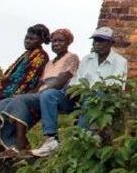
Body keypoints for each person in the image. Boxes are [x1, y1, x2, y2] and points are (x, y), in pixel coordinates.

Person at [31, 26, 128, 158]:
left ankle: (80, 139)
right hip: (80, 96)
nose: (97, 44)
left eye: (102, 41)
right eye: (95, 40)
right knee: (49, 95)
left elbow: (116, 87)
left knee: (92, 97)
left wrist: (88, 91)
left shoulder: (120, 61)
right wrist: (71, 90)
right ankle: (51, 140)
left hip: (100, 100)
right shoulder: (87, 59)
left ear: (111, 43)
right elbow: (76, 81)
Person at [0, 28, 80, 153]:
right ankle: (8, 141)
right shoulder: (50, 63)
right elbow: (40, 83)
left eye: (60, 41)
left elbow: (61, 81)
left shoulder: (72, 57)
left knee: (22, 100)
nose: (56, 43)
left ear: (68, 42)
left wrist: (36, 94)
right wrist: (29, 94)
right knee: (9, 102)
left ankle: (21, 141)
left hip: (58, 94)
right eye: (54, 41)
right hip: (42, 93)